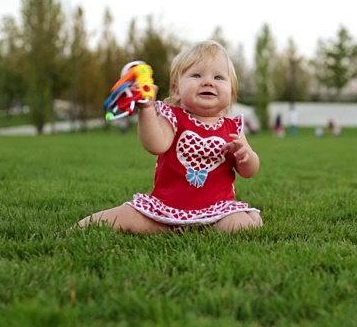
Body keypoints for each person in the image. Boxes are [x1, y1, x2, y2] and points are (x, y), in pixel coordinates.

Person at [78, 40, 263, 233]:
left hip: (216, 211)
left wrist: (246, 155)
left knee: (244, 224)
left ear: (232, 94)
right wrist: (147, 109)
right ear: (176, 89)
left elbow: (249, 171)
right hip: (166, 210)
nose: (208, 82)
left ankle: (201, 225)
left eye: (218, 77)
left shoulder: (233, 127)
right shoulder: (173, 117)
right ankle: (76, 229)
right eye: (196, 75)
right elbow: (156, 145)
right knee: (125, 215)